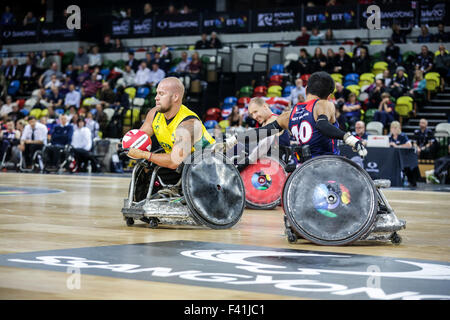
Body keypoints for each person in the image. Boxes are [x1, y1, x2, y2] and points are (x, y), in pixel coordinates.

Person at [226, 72, 367, 160]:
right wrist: (351, 139)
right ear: (329, 96)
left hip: (302, 170)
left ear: (306, 89)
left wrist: (233, 139)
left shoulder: (288, 115)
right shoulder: (324, 105)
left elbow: (261, 132)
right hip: (327, 165)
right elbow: (322, 125)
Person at [125, 77, 215, 171]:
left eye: (161, 94)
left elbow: (174, 161)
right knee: (144, 171)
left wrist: (144, 154)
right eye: (157, 93)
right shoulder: (154, 114)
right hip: (185, 165)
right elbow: (139, 139)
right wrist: (125, 144)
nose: (156, 98)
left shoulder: (188, 124)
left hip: (206, 167)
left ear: (175, 97)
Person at [388, 121, 418, 187]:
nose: (393, 129)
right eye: (392, 127)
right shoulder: (389, 136)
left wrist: (396, 146)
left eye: (395, 128)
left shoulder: (402, 136)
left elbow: (409, 145)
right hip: (393, 157)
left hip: (403, 156)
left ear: (398, 128)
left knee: (407, 166)